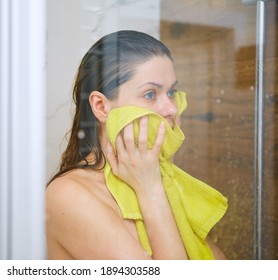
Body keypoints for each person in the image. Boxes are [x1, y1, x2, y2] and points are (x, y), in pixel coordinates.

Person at [46, 30, 227, 260]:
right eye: (150, 94)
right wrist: (150, 189)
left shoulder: (159, 178)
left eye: (171, 92)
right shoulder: (68, 196)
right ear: (101, 107)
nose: (171, 109)